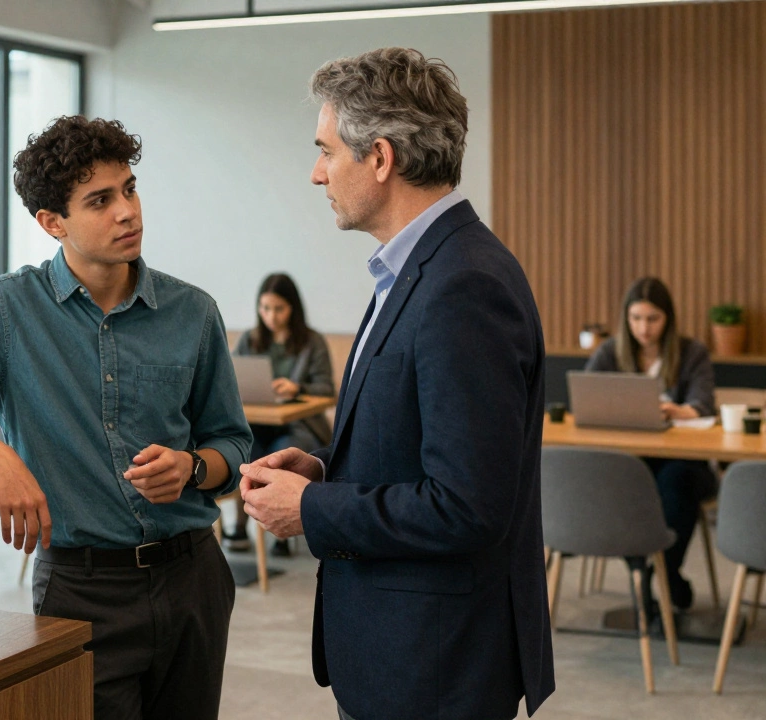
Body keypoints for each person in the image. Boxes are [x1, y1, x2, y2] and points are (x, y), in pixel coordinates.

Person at [0, 115, 251, 720]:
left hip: (194, 578)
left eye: (128, 189)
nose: (126, 212)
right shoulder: (4, 310)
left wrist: (192, 467)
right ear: (52, 223)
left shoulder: (193, 312)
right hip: (82, 588)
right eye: (99, 201)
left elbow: (232, 445)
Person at [239, 48, 555, 719]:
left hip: (433, 664)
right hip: (405, 652)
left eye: (327, 151)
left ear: (380, 158)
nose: (316, 172)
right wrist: (326, 470)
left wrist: (313, 510)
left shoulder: (462, 285)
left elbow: (467, 504)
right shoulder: (421, 269)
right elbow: (421, 442)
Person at [586, 276, 716, 611]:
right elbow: (587, 399)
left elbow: (703, 405)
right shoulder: (610, 352)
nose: (644, 328)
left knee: (673, 482)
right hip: (631, 461)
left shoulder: (692, 353)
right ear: (626, 319)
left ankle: (665, 572)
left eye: (653, 319)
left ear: (668, 318)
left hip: (685, 463)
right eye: (636, 318)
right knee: (628, 479)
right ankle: (644, 572)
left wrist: (676, 411)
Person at [224, 273, 334, 556]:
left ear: (293, 308)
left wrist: (296, 388)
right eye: (265, 308)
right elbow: (235, 378)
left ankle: (280, 532)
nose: (271, 316)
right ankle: (239, 524)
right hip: (259, 423)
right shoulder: (251, 339)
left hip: (301, 425)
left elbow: (327, 389)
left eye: (279, 309)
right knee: (244, 450)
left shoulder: (312, 341)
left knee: (280, 454)